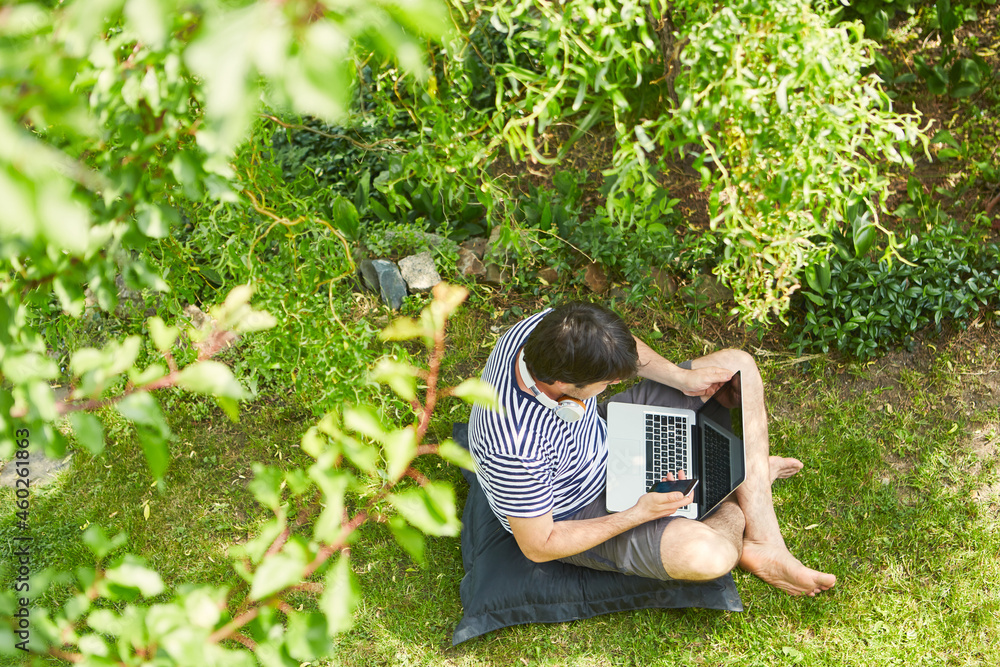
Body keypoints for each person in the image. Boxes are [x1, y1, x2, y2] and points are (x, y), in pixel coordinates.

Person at [468, 301, 836, 597]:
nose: (615, 382)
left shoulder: (548, 330)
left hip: (609, 435)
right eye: (607, 382)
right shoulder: (514, 446)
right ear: (563, 384)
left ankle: (763, 539)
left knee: (737, 366)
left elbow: (621, 345)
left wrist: (682, 378)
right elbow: (538, 545)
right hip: (577, 510)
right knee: (711, 556)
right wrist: (638, 513)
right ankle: (741, 496)